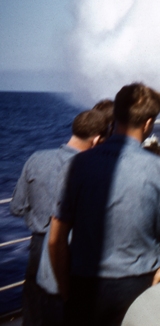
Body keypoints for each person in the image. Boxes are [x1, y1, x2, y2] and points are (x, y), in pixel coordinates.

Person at [48, 83, 160, 326]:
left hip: (84, 284)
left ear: (116, 116)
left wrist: (65, 288)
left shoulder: (77, 165)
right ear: (147, 123)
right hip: (140, 285)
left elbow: (56, 239)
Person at [10, 109, 112, 326]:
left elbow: (17, 208)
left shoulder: (36, 159)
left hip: (37, 248)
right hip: (73, 250)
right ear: (96, 140)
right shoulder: (94, 169)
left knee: (35, 312)